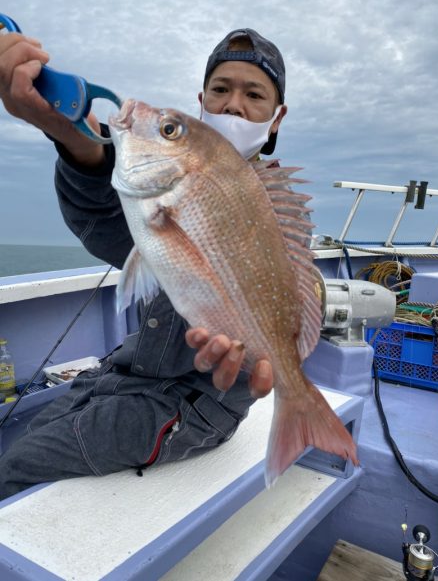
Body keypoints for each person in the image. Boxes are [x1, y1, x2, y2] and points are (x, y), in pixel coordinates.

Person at [0, 28, 288, 498]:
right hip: (129, 375)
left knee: (17, 470)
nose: (234, 104)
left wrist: (301, 309)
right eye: (220, 89)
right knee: (28, 432)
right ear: (202, 101)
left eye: (254, 94)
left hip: (194, 403)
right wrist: (76, 141)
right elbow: (109, 225)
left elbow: (296, 276)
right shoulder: (175, 187)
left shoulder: (271, 207)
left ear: (276, 118)